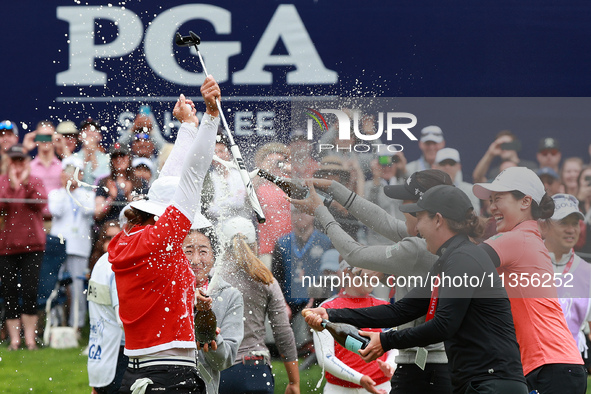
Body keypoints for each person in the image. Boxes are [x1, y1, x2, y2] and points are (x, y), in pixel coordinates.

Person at [305, 185, 528, 394]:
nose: (417, 228)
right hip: (478, 380)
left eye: (419, 218)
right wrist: (332, 314)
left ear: (438, 220)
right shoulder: (448, 260)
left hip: (492, 382)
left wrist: (386, 341)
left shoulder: (463, 259)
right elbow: (402, 311)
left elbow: (443, 325)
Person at [289, 169, 453, 394]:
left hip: (425, 366)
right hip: (432, 362)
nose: (400, 206)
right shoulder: (436, 239)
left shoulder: (418, 247)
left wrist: (320, 212)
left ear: (425, 209)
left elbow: (354, 254)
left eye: (406, 201)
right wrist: (332, 187)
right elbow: (379, 218)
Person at [108, 77, 221, 394]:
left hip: (137, 375)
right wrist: (211, 117)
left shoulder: (127, 238)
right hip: (169, 378)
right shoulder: (163, 239)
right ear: (165, 215)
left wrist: (187, 127)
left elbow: (169, 181)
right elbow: (192, 176)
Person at [473, 166, 587, 393]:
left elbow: (461, 263)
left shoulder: (515, 239)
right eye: (491, 200)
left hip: (550, 366)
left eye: (498, 199)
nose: (491, 206)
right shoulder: (526, 238)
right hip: (556, 366)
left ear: (525, 202)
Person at [217, 216, 300, 394]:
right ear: (256, 245)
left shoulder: (212, 281)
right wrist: (294, 382)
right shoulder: (266, 280)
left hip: (219, 372)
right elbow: (283, 332)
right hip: (254, 369)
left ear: (223, 247)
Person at [182, 217, 244, 394]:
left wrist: (211, 338)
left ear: (214, 255)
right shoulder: (165, 291)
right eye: (188, 251)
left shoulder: (230, 296)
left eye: (203, 251)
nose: (195, 260)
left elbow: (223, 362)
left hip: (203, 387)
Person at [313, 264, 396, 394]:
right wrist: (359, 378)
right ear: (347, 272)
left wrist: (390, 365)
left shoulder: (383, 306)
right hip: (339, 389)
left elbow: (395, 344)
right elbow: (325, 357)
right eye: (366, 271)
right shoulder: (327, 308)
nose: (373, 276)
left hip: (381, 387)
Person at [0, 144, 48, 350]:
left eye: (21, 160)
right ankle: (15, 340)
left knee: (30, 292)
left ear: (27, 162)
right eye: (14, 160)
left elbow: (40, 204)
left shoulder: (35, 181)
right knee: (9, 292)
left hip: (33, 245)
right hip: (7, 246)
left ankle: (29, 339)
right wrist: (12, 185)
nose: (17, 165)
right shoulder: (2, 182)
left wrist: (26, 184)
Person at [538, 194, 591, 355]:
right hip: (532, 361)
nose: (571, 230)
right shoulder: (528, 264)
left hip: (572, 363)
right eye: (563, 223)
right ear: (545, 226)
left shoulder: (586, 271)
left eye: (575, 224)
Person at [48, 156, 95, 328]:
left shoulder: (88, 194)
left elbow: (87, 211)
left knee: (77, 288)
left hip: (80, 247)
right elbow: (56, 211)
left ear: (81, 175)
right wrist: (65, 188)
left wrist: (74, 188)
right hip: (58, 246)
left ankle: (77, 325)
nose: (71, 176)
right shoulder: (55, 194)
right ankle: (54, 324)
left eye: (75, 172)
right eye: (67, 172)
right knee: (55, 286)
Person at [87, 220, 127, 394]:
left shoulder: (101, 265)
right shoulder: (111, 266)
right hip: (116, 354)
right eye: (109, 238)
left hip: (105, 355)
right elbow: (123, 319)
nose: (113, 242)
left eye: (116, 237)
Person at [253, 142, 293, 268]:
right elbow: (246, 195)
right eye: (270, 160)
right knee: (270, 285)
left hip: (290, 246)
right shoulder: (259, 183)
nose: (275, 164)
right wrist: (263, 170)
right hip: (267, 248)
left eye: (279, 161)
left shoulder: (291, 181)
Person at [201, 133, 248, 226]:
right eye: (214, 153)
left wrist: (219, 203)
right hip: (215, 226)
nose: (218, 156)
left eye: (221, 151)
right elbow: (210, 209)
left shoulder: (241, 176)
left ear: (229, 153)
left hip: (240, 224)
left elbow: (240, 203)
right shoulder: (208, 179)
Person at [364, 145, 407, 245]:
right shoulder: (369, 186)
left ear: (397, 164)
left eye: (391, 163)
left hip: (403, 240)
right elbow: (368, 209)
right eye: (383, 164)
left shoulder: (404, 183)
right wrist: (376, 180)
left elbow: (417, 194)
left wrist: (404, 170)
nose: (387, 168)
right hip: (378, 242)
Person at [472, 130, 537, 183]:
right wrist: (490, 153)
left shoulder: (530, 166)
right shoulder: (494, 172)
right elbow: (477, 179)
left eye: (507, 144)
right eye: (500, 145)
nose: (504, 148)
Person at [433, 147, 480, 215]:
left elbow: (475, 216)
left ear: (459, 167)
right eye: (443, 163)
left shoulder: (470, 190)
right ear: (435, 167)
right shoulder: (429, 190)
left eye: (451, 163)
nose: (447, 167)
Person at [27, 121, 62, 195]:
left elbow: (75, 179)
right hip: (36, 206)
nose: (44, 140)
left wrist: (63, 149)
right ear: (36, 138)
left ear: (55, 138)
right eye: (41, 136)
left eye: (48, 136)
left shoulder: (62, 167)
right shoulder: (28, 167)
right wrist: (24, 149)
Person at [73, 118, 110, 185]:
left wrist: (92, 154)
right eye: (86, 130)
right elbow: (73, 181)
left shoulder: (107, 159)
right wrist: (87, 156)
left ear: (100, 136)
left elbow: (102, 181)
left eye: (93, 130)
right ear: (80, 136)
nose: (89, 132)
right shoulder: (73, 158)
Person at [575, 165, 591, 262]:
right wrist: (579, 200)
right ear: (579, 182)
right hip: (577, 258)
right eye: (586, 178)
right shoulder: (572, 203)